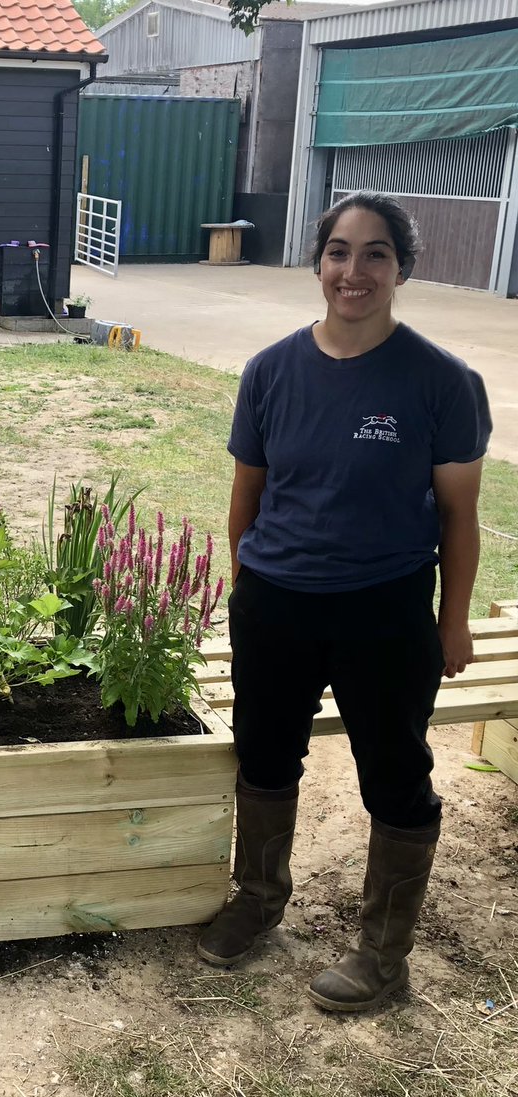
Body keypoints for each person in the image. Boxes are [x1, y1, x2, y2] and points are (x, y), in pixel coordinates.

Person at [197, 191, 492, 1011]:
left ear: (402, 268)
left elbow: (461, 519)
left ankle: (383, 960)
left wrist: (453, 618)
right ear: (317, 261)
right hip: (276, 604)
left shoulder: (443, 381)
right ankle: (258, 900)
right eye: (337, 251)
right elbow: (246, 497)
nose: (352, 271)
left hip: (385, 609)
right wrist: (249, 588)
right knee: (263, 758)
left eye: (374, 255)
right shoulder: (270, 371)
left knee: (396, 776)